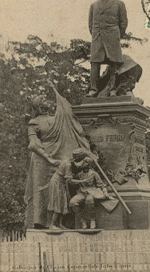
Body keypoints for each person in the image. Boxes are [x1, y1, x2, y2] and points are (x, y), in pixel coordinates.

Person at [24, 81, 90, 229]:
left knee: (60, 191)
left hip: (59, 158)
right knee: (42, 191)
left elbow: (67, 114)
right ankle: (41, 223)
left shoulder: (57, 119)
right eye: (45, 100)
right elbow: (33, 144)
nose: (49, 102)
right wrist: (48, 158)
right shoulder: (34, 122)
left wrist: (55, 90)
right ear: (40, 106)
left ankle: (58, 223)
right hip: (42, 160)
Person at [87, 0, 128, 97]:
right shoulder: (94, 5)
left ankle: (112, 89)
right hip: (98, 36)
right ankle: (93, 89)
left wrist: (116, 35)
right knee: (94, 62)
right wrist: (96, 34)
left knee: (113, 63)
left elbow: (123, 22)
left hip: (112, 36)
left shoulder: (119, 4)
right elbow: (90, 24)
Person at [69, 157, 111, 229]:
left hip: (92, 192)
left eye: (85, 162)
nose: (83, 163)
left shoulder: (94, 174)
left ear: (89, 165)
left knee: (89, 200)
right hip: (82, 193)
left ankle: (92, 220)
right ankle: (82, 221)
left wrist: (105, 192)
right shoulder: (79, 174)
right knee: (72, 202)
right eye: (83, 162)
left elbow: (101, 185)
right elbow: (73, 181)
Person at [48, 160, 72, 230]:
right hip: (57, 183)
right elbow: (68, 179)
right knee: (58, 203)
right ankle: (52, 225)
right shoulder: (68, 165)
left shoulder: (68, 162)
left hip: (61, 183)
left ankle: (60, 224)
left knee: (63, 203)